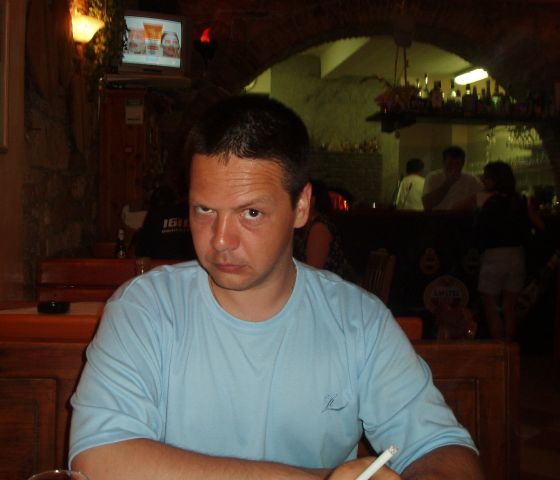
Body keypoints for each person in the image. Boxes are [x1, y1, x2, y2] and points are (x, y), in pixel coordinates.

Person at [69, 95, 483, 480]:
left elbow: (446, 451)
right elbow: (97, 456)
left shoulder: (359, 322)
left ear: (301, 206)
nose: (220, 240)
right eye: (204, 210)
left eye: (251, 212)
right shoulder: (144, 308)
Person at [455, 161, 542, 340]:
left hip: (493, 256)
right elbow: (539, 225)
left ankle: (498, 350)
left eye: (486, 177)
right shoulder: (520, 200)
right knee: (510, 308)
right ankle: (508, 348)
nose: (483, 180)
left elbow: (454, 210)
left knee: (492, 308)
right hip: (517, 255)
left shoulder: (483, 198)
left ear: (494, 179)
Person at [294, 179, 358, 282]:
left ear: (311, 199)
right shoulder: (307, 226)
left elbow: (313, 270)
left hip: (331, 287)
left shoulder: (319, 228)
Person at [133, 184, 196, 260]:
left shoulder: (154, 214)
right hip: (191, 264)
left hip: (161, 264)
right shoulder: (187, 211)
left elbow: (141, 251)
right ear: (175, 200)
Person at [422, 146, 482, 211]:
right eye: (450, 164)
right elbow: (427, 205)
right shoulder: (433, 177)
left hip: (463, 216)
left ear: (463, 164)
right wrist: (448, 183)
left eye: (457, 164)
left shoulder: (472, 180)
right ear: (444, 162)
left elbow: (481, 201)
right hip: (439, 216)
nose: (454, 167)